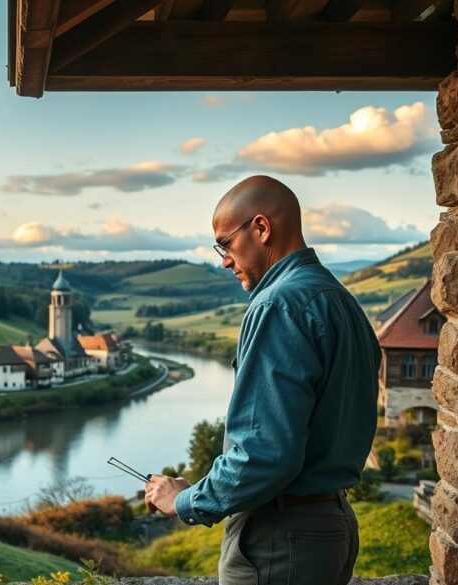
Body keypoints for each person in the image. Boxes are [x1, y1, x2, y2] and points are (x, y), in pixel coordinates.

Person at [143, 175, 381, 585]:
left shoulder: (277, 305)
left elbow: (265, 454)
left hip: (280, 536)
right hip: (332, 524)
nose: (224, 260)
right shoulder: (341, 300)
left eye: (225, 243)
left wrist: (185, 500)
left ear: (261, 228)